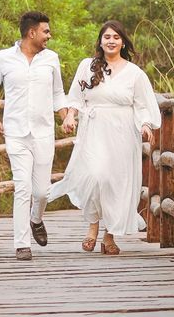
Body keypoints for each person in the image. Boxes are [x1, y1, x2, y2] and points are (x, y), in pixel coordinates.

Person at [50, 20, 161, 255]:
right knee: (95, 176)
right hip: (94, 129)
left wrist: (145, 124)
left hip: (122, 133)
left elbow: (142, 105)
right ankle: (92, 227)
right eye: (107, 37)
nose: (111, 41)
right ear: (100, 41)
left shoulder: (134, 73)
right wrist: (71, 116)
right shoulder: (87, 66)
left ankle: (109, 236)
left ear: (123, 43)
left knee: (115, 182)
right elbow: (76, 97)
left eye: (116, 37)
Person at [0, 12, 69, 260]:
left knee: (42, 192)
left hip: (43, 133)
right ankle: (21, 244)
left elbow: (58, 93)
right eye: (46, 32)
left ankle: (36, 219)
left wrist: (65, 116)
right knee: (22, 187)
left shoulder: (51, 59)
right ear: (32, 33)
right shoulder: (3, 58)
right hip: (16, 133)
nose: (49, 36)